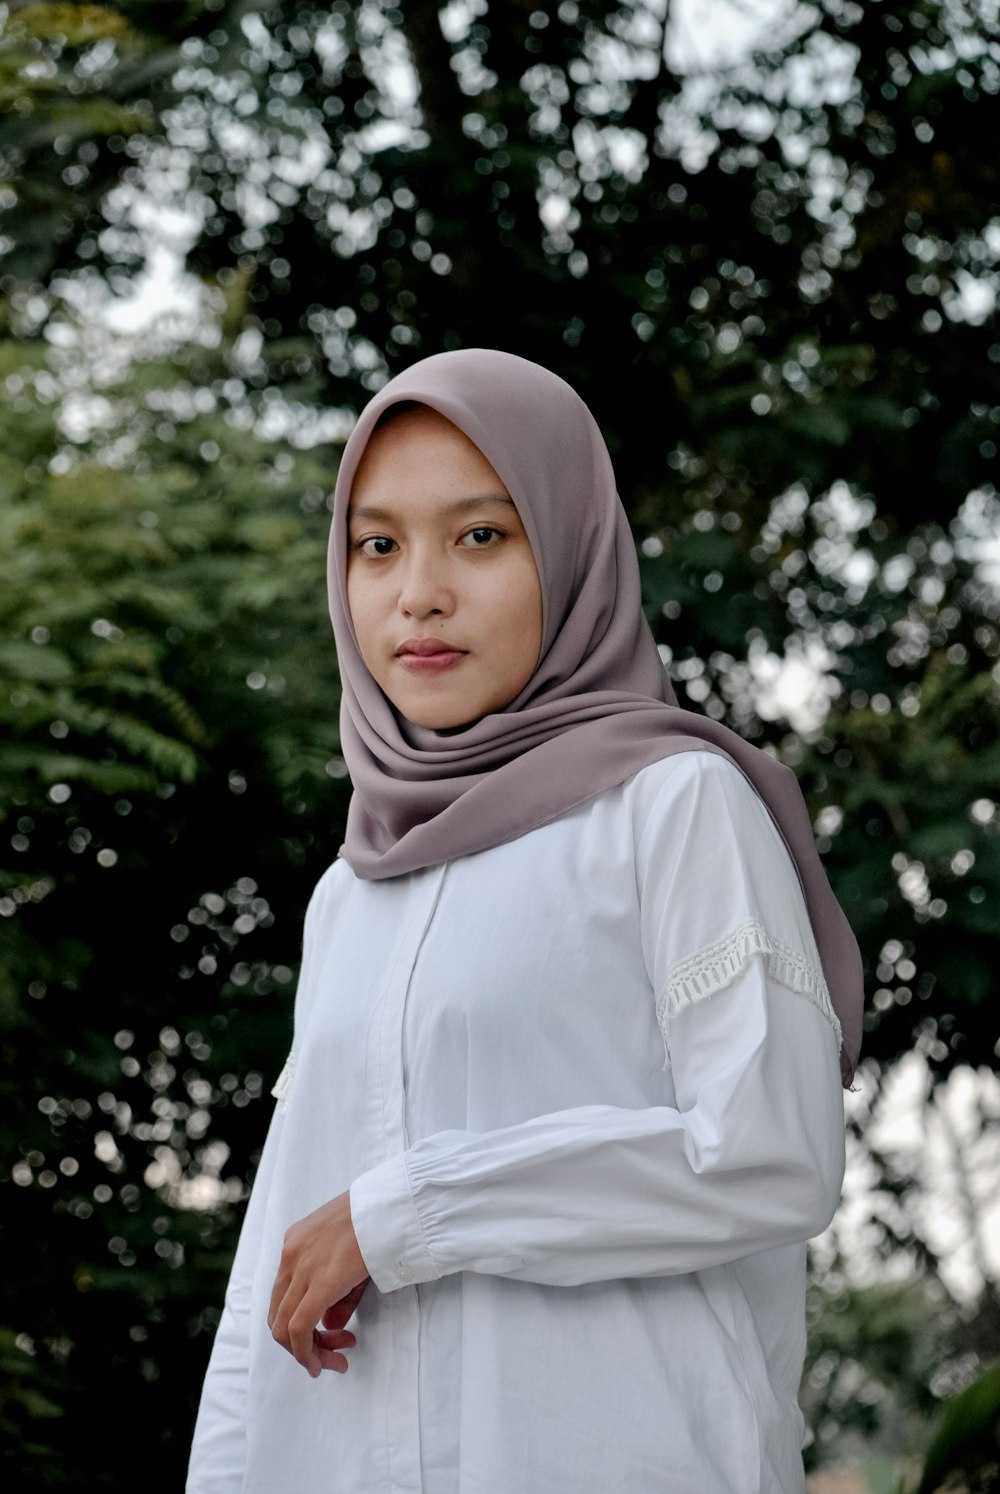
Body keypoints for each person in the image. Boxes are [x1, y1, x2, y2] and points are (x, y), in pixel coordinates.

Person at [187, 348, 863, 1494]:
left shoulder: (672, 804)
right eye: (377, 545)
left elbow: (770, 1154)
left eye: (482, 537)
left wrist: (411, 1212)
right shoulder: (352, 887)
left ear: (573, 548)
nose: (420, 594)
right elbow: (278, 1256)